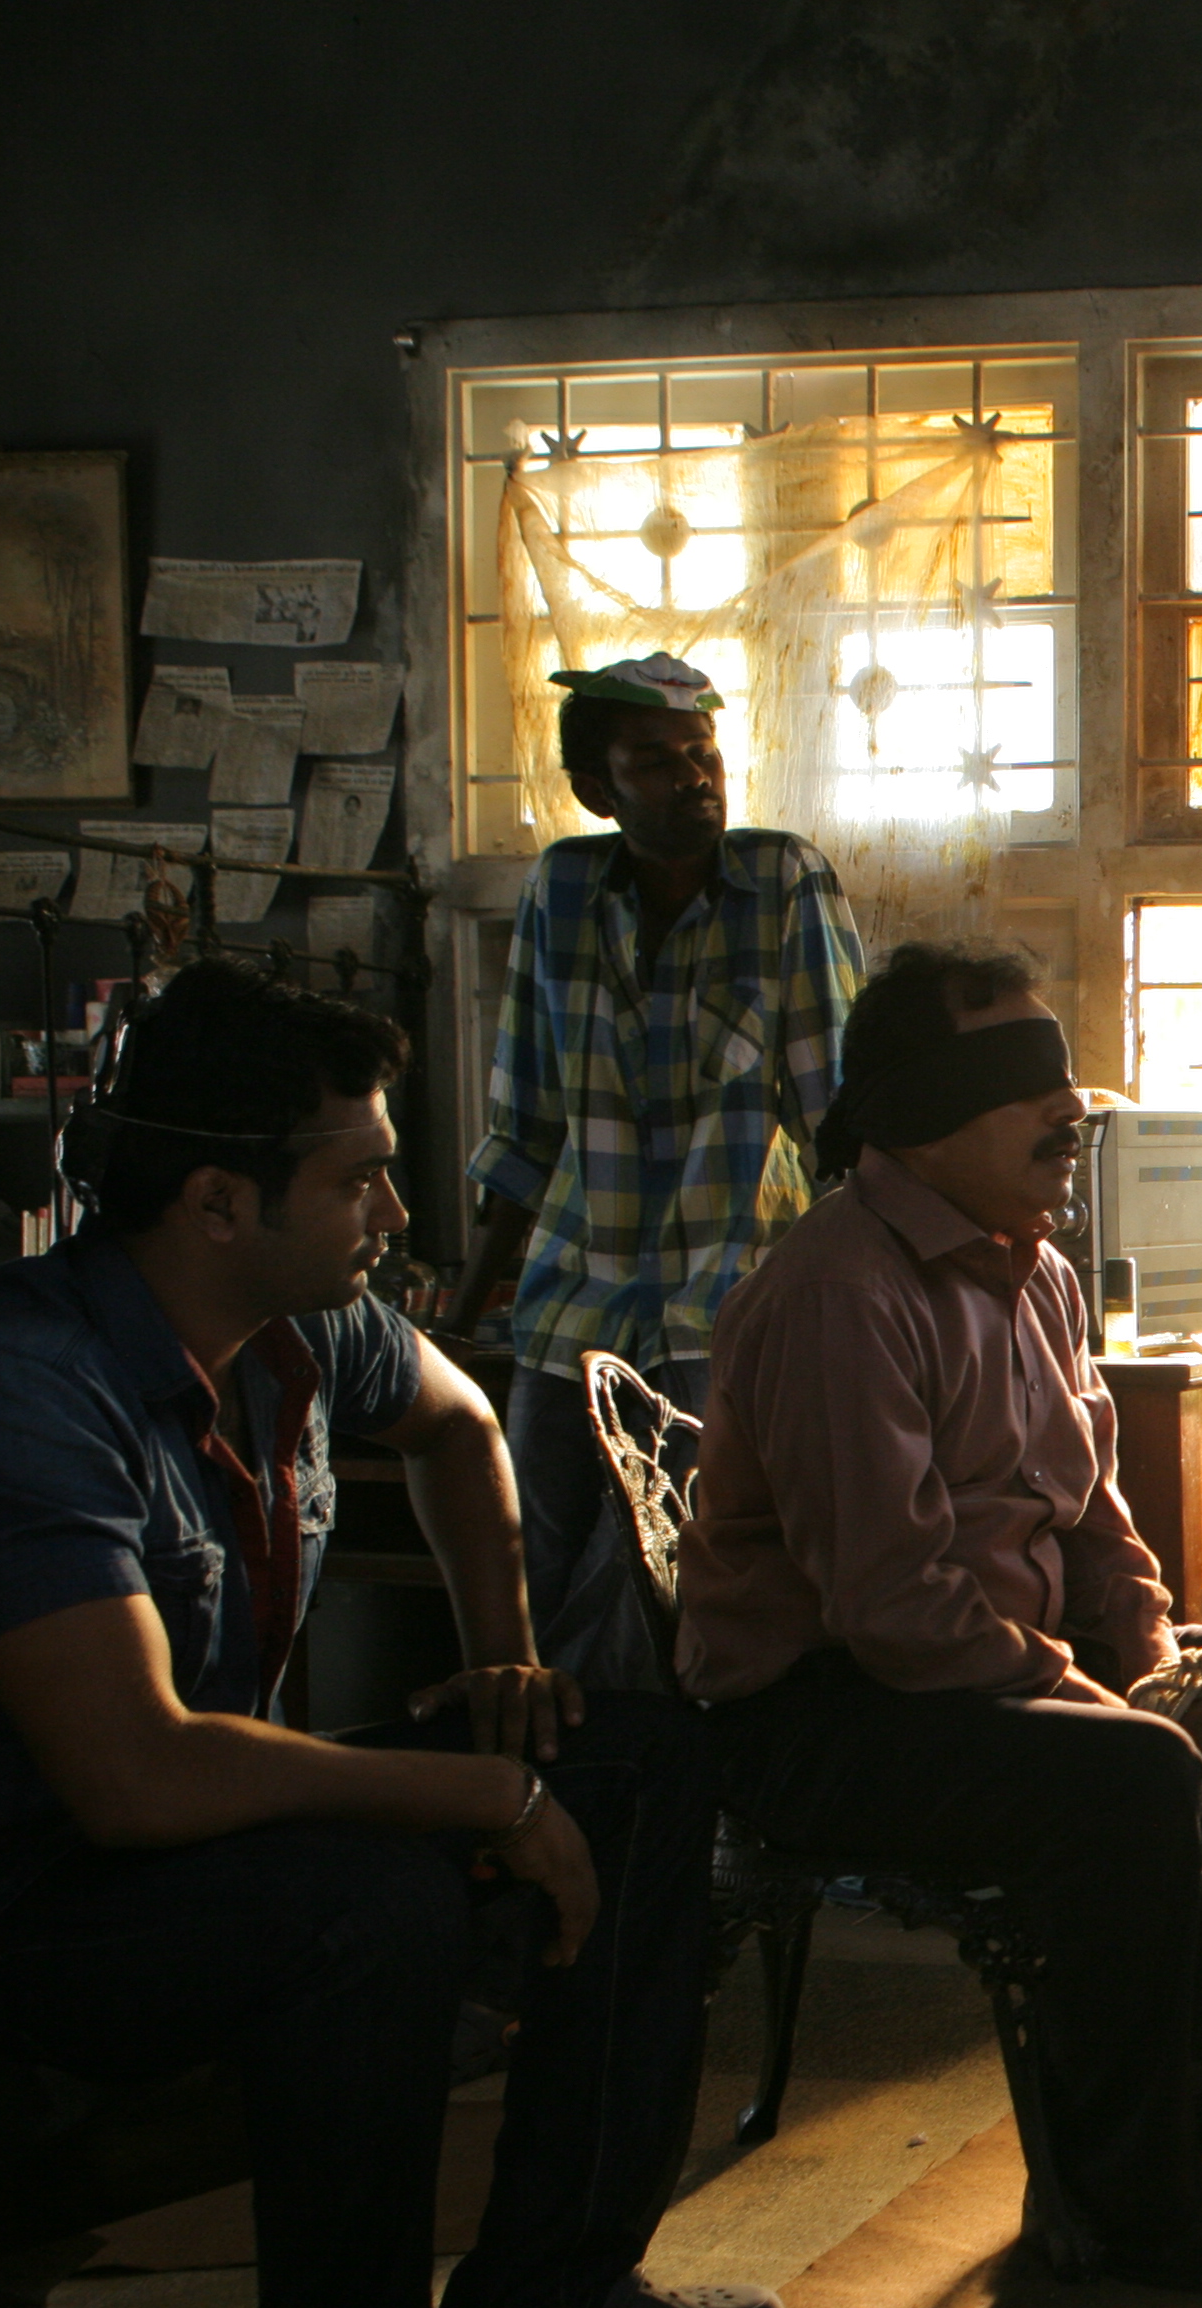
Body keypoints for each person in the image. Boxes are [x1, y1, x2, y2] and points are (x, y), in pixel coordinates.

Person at [0, 960, 767, 2308]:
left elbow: (458, 1428)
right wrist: (484, 1795)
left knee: (629, 1755)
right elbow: (137, 1780)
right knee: (358, 1902)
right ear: (219, 1201)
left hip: (158, 1835)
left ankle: (543, 2306)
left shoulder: (308, 1327)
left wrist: (505, 1667)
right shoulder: (9, 1384)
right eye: (356, 1173)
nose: (391, 1204)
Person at [676, 942, 1202, 2294]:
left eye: (1065, 1079)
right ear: (916, 1113)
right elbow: (894, 1607)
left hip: (980, 1665)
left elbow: (1094, 1520)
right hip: (823, 1708)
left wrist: (1169, 1669)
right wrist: (1132, 1713)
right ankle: (1114, 2211)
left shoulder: (1038, 1272)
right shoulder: (843, 1291)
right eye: (1021, 1085)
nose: (1072, 1116)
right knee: (1132, 1771)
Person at [447, 650, 862, 1677]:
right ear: (599, 789)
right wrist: (459, 1317)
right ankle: (545, 1802)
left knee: (657, 1598)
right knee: (533, 1584)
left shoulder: (782, 882)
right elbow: (525, 1119)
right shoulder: (565, 886)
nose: (695, 776)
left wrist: (865, 1308)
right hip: (567, 1310)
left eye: (704, 751)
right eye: (657, 760)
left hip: (721, 1314)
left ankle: (635, 1815)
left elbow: (840, 1121)